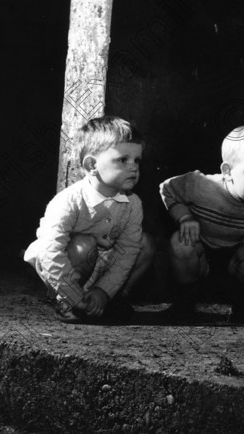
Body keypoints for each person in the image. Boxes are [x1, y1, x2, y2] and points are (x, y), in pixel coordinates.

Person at [160, 123, 244, 323]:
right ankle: (184, 302)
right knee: (180, 242)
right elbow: (167, 190)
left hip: (236, 259)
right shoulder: (200, 185)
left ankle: (242, 304)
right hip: (201, 256)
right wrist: (184, 217)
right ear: (227, 171)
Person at [24, 115, 155, 323]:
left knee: (144, 244)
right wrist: (72, 294)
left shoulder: (133, 203)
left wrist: (105, 290)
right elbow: (51, 252)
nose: (134, 167)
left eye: (137, 160)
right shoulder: (68, 201)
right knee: (83, 244)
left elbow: (128, 251)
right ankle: (66, 301)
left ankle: (111, 298)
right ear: (92, 165)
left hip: (102, 267)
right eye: (123, 159)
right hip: (64, 269)